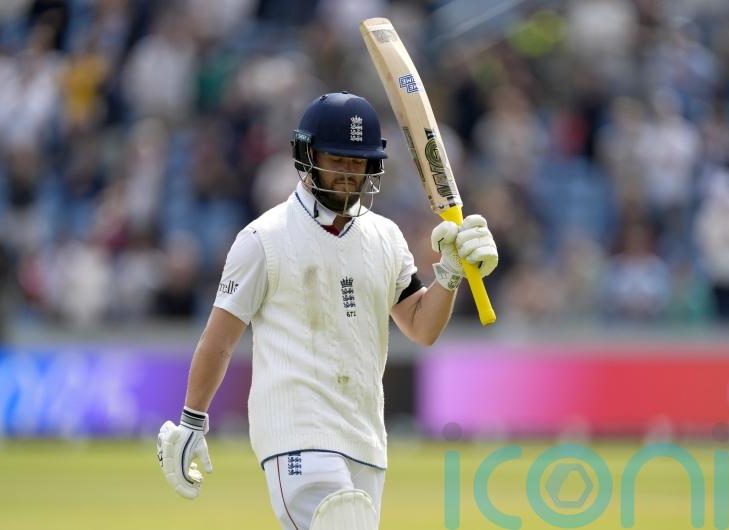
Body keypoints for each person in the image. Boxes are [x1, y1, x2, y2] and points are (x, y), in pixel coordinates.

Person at [156, 92, 498, 529]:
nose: (348, 174)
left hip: (365, 439)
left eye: (359, 163)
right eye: (337, 160)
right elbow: (219, 341)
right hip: (295, 435)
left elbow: (420, 326)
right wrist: (192, 420)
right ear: (306, 156)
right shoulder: (263, 238)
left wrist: (450, 272)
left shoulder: (386, 237)